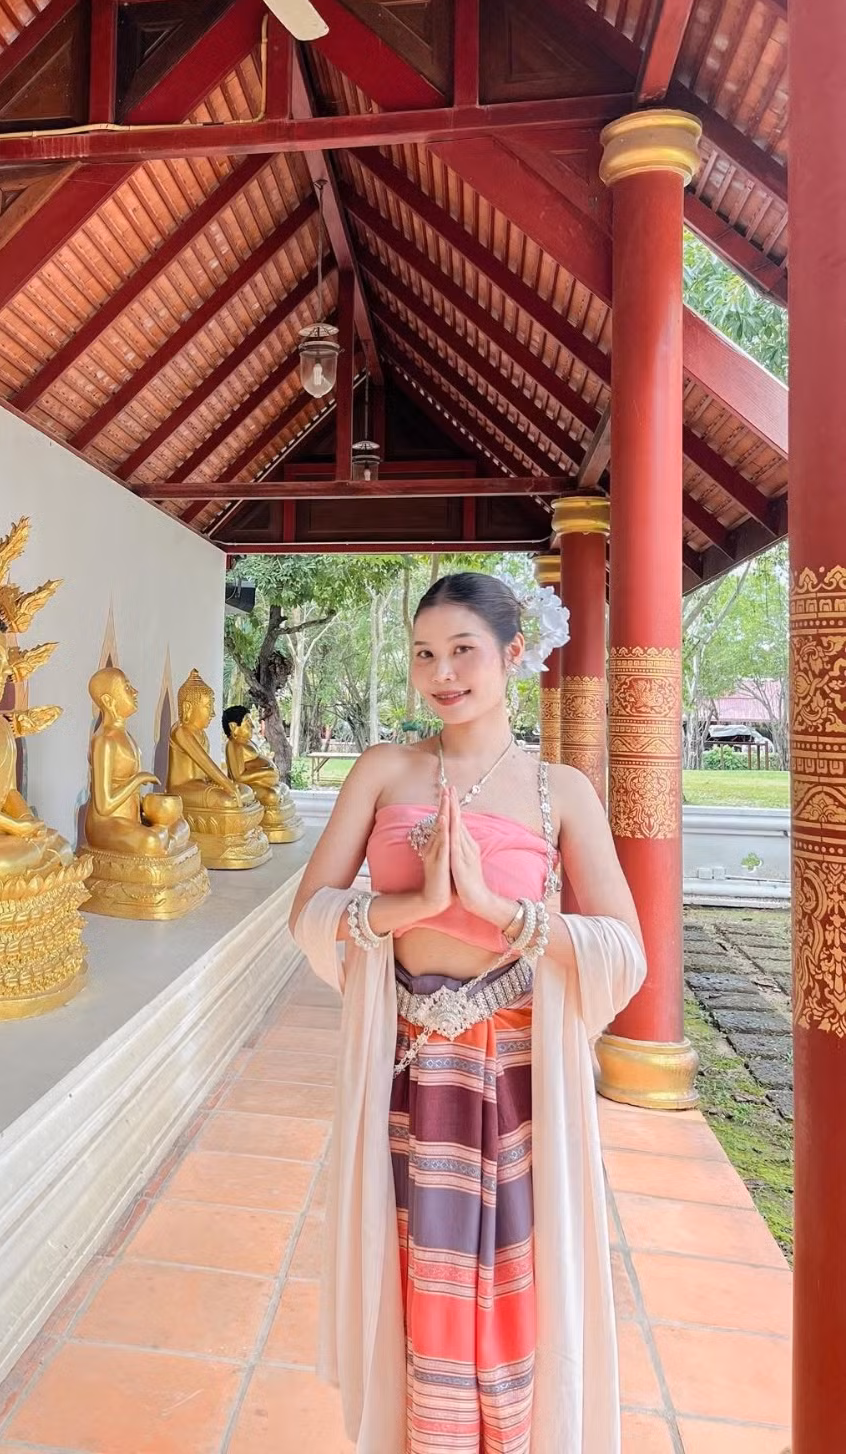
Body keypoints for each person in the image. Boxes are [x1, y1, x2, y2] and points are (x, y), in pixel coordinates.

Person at [289, 571, 646, 1453]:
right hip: (407, 1066)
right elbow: (310, 914)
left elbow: (623, 948)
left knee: (510, 1274)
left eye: (462, 651)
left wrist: (496, 910)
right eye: (424, 654)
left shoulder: (560, 790)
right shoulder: (385, 770)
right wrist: (415, 905)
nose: (441, 674)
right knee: (416, 1265)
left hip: (517, 1073)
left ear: (514, 654)